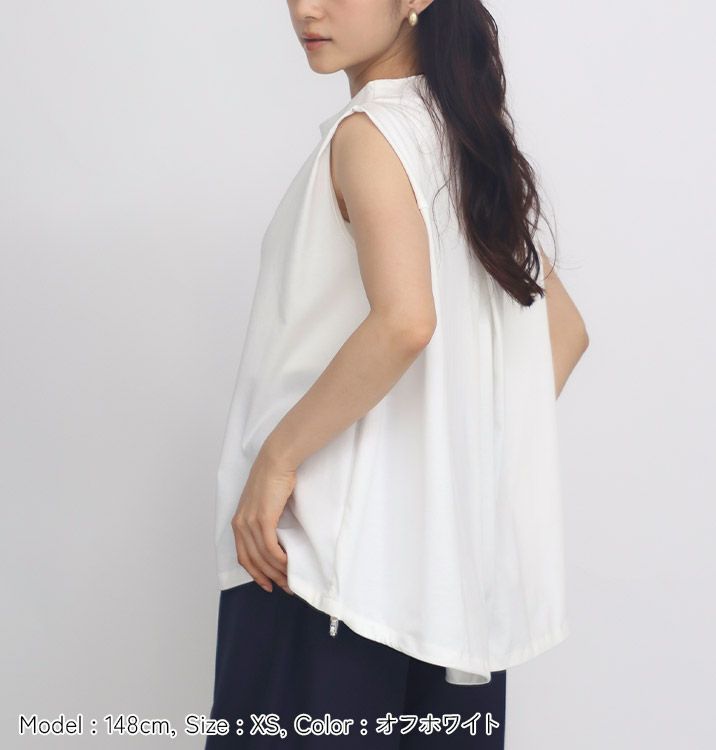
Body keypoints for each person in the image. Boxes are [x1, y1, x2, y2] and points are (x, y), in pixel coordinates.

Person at [205, 1, 589, 747]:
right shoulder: (467, 145)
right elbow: (564, 334)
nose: (306, 9)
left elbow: (405, 322)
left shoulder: (370, 133)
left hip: (324, 576)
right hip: (450, 597)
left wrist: (277, 460)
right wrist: (443, 473)